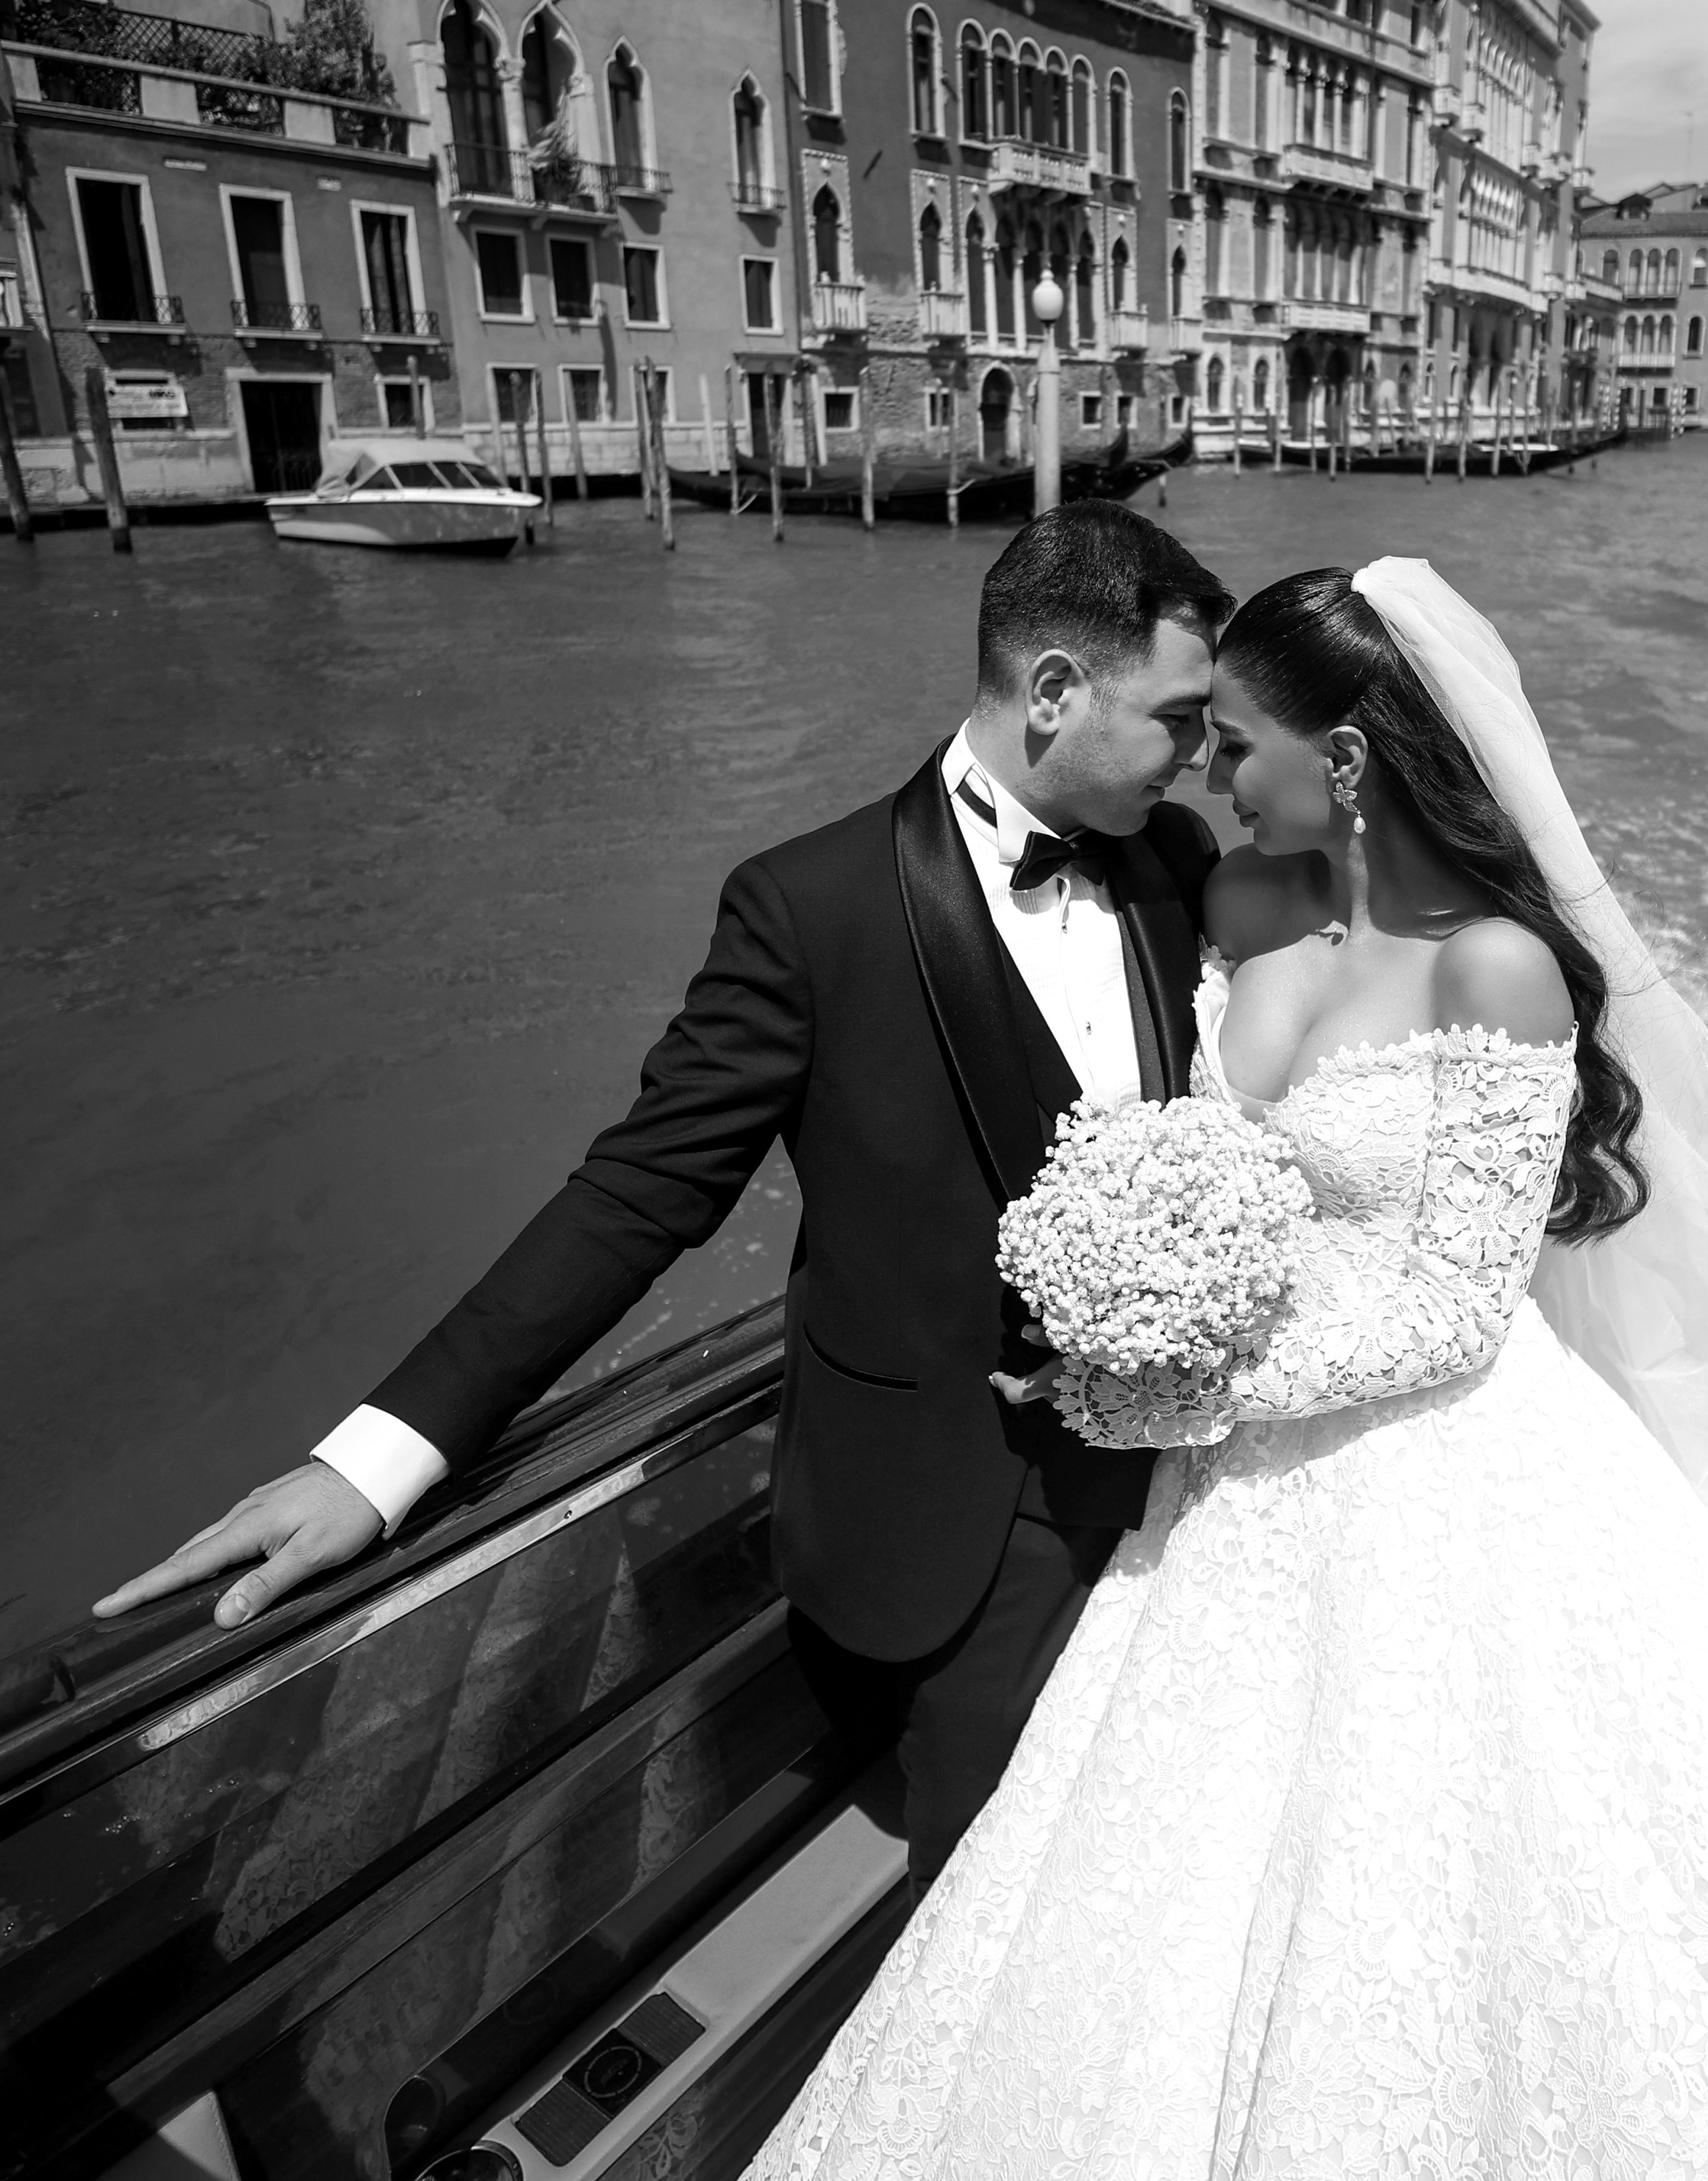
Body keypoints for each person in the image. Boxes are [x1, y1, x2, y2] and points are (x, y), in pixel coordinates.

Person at [586, 559, 1708, 2181]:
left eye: (1238, 742)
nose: (1209, 775)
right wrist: (1132, 1294)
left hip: (1439, 1487)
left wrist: (1158, 1388)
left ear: (1340, 761)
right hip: (1216, 1527)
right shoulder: (1241, 915)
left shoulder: (1497, 972)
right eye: (1194, 734)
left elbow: (1449, 1312)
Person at [93, 504, 1231, 1902]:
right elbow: (640, 1191)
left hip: (1169, 1475)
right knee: (988, 1874)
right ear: (1053, 691)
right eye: (1178, 719)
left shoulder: (1176, 865)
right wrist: (376, 1461)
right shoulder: (808, 909)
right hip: (949, 1504)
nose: (1201, 756)